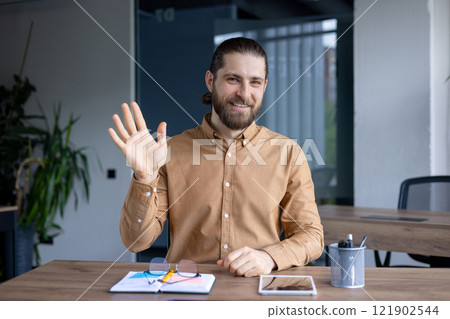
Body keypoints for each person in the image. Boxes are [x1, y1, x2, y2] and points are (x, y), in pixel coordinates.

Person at [108, 37, 323, 278]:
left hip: (256, 293)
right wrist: (144, 177)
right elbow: (136, 243)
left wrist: (270, 257)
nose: (244, 93)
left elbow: (312, 236)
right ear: (210, 81)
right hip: (184, 293)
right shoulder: (169, 152)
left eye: (255, 82)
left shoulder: (289, 152)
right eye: (233, 79)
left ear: (264, 86)